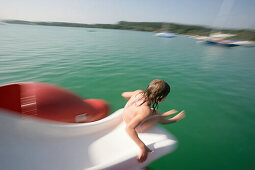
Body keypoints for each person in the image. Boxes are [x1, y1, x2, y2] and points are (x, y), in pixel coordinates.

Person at [122, 79, 185, 163]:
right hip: (136, 127)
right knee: (157, 117)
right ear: (160, 97)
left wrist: (134, 108)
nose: (165, 98)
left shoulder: (139, 92)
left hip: (125, 116)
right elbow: (129, 128)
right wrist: (142, 147)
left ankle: (164, 115)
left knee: (152, 111)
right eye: (165, 96)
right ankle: (173, 120)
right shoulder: (145, 111)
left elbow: (124, 94)